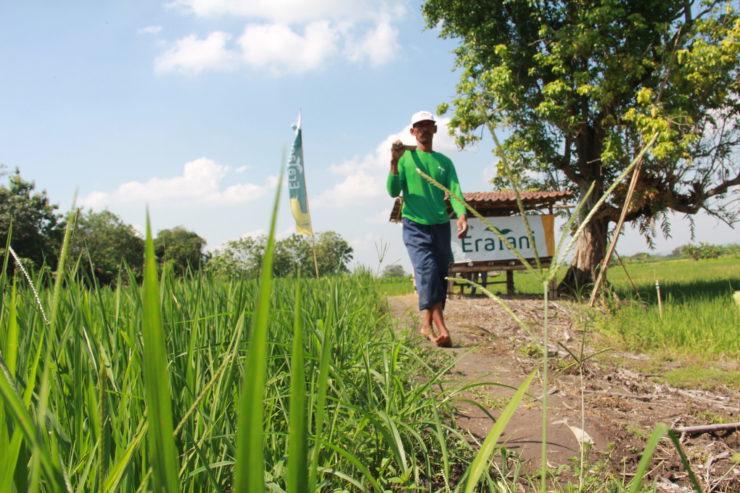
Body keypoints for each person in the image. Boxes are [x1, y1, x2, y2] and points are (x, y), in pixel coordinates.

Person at [387, 110, 468, 347]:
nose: (423, 129)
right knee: (428, 270)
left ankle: (425, 325)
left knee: (440, 276)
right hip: (414, 225)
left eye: (428, 125)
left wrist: (461, 214)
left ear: (434, 129)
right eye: (418, 126)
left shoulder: (444, 162)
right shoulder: (404, 159)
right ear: (412, 132)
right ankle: (442, 327)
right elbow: (392, 191)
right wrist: (393, 161)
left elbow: (454, 191)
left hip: (441, 225)